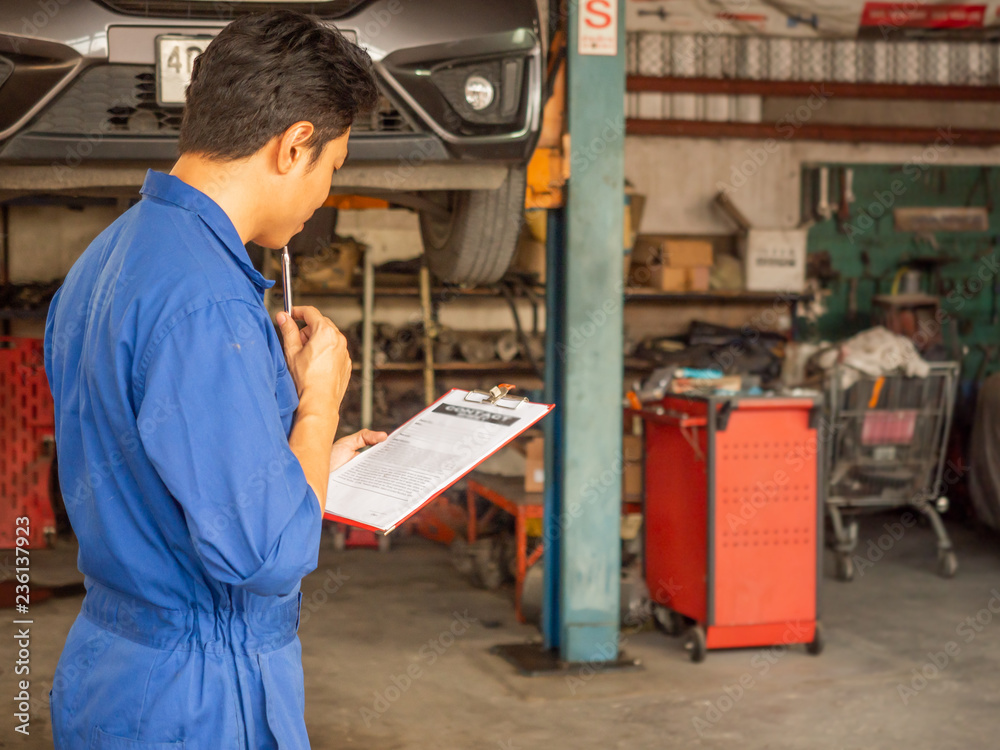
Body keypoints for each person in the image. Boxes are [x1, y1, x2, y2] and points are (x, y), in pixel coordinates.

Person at [43, 11, 383, 749]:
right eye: (334, 166)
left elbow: (162, 467)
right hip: (199, 701)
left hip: (115, 672)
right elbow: (264, 553)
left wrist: (314, 457)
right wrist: (320, 402)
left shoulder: (107, 258)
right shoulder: (209, 301)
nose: (326, 192)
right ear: (295, 145)